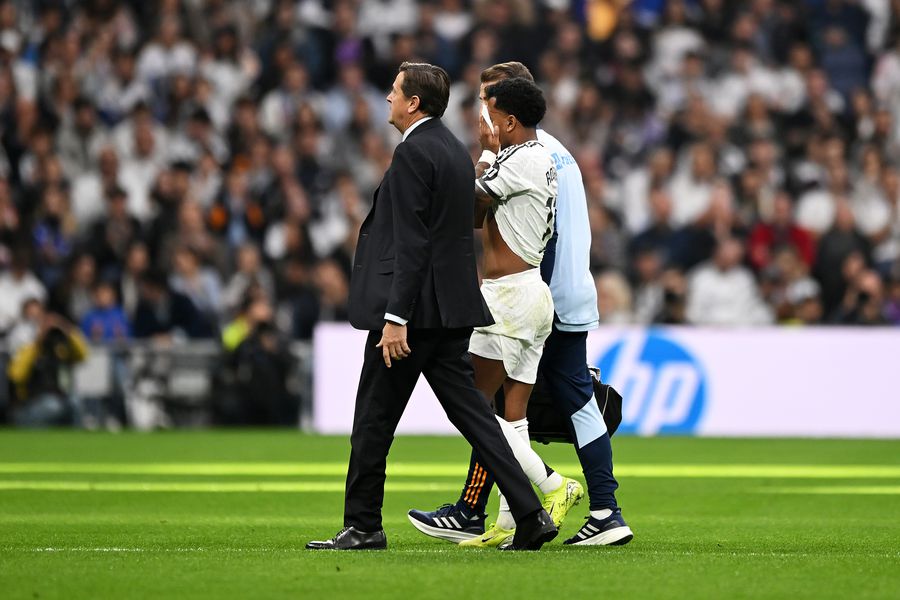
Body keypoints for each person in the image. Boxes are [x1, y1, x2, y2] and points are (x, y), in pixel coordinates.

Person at [306, 62, 556, 552]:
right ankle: (530, 515)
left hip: (413, 316)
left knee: (374, 419)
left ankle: (363, 526)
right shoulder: (455, 152)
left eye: (395, 92)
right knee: (476, 418)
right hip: (451, 312)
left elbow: (412, 243)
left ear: (413, 103)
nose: (388, 100)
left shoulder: (414, 154)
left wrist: (395, 317)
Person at [408, 62, 633, 547]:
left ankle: (548, 493)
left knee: (475, 402)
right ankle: (517, 518)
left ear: (510, 111)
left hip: (528, 292)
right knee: (519, 412)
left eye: (488, 103)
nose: (481, 114)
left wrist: (480, 160)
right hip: (548, 292)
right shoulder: (558, 154)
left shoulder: (527, 156)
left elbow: (473, 210)